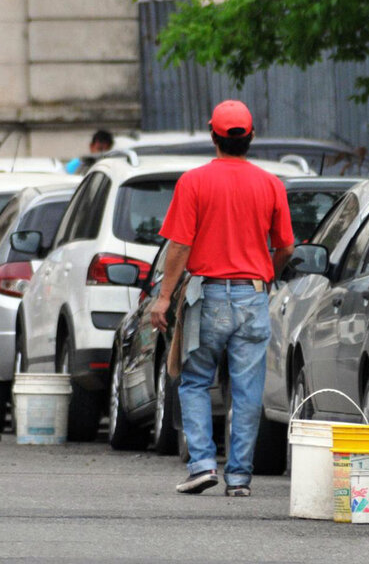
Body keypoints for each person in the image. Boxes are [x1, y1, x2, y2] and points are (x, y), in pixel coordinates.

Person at [150, 100, 295, 496]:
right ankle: (239, 479)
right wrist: (267, 273)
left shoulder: (194, 182)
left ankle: (201, 464)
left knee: (195, 381)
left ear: (213, 136)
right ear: (250, 138)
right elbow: (286, 247)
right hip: (253, 297)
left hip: (207, 297)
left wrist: (163, 299)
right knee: (248, 392)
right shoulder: (270, 185)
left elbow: (179, 246)